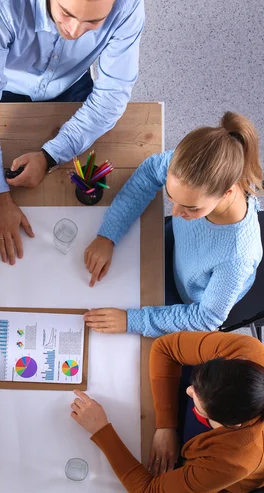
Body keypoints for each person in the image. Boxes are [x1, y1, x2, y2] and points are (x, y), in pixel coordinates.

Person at [0, 0, 145, 265]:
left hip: (71, 81)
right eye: (66, 13)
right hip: (5, 83)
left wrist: (50, 156)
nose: (76, 31)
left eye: (93, 22)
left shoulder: (129, 6)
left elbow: (111, 99)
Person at [83, 112, 263, 337]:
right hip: (178, 250)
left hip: (187, 298)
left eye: (191, 207)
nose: (175, 213)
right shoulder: (188, 169)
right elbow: (150, 172)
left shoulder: (237, 256)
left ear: (227, 193)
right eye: (170, 196)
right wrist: (107, 236)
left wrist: (131, 321)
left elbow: (206, 318)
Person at [70, 331, 264, 493]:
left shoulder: (235, 460)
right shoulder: (248, 352)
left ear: (231, 425)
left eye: (198, 402)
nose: (189, 390)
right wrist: (165, 425)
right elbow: (165, 347)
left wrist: (101, 430)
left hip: (216, 464)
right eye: (195, 385)